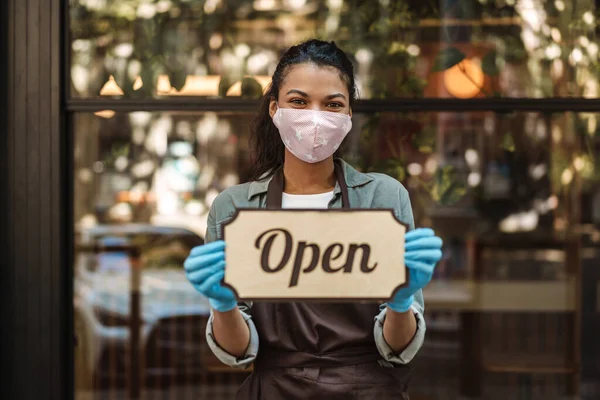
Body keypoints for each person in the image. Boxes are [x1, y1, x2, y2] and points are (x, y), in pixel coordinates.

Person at [184, 39, 443, 399]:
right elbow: (239, 354)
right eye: (299, 101)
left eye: (333, 104)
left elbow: (397, 347)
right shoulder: (234, 209)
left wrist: (401, 302)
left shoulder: (383, 198)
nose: (316, 116)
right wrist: (223, 305)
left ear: (349, 116)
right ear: (275, 109)